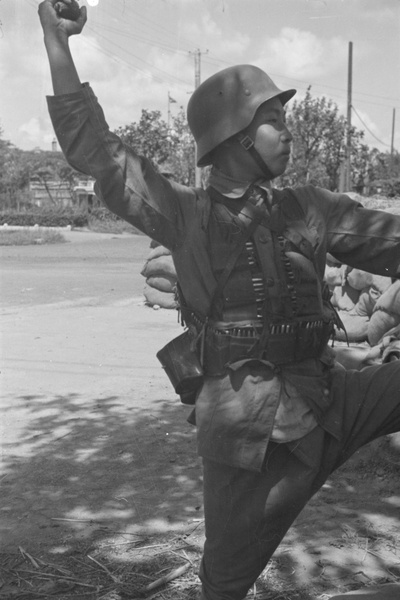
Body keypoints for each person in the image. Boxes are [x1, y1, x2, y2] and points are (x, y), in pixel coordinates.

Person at [38, 2, 400, 599]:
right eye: (274, 118)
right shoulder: (186, 215)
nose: (290, 130)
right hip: (253, 431)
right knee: (225, 585)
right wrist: (58, 45)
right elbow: (99, 154)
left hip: (333, 398)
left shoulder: (309, 206)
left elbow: (385, 239)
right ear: (233, 136)